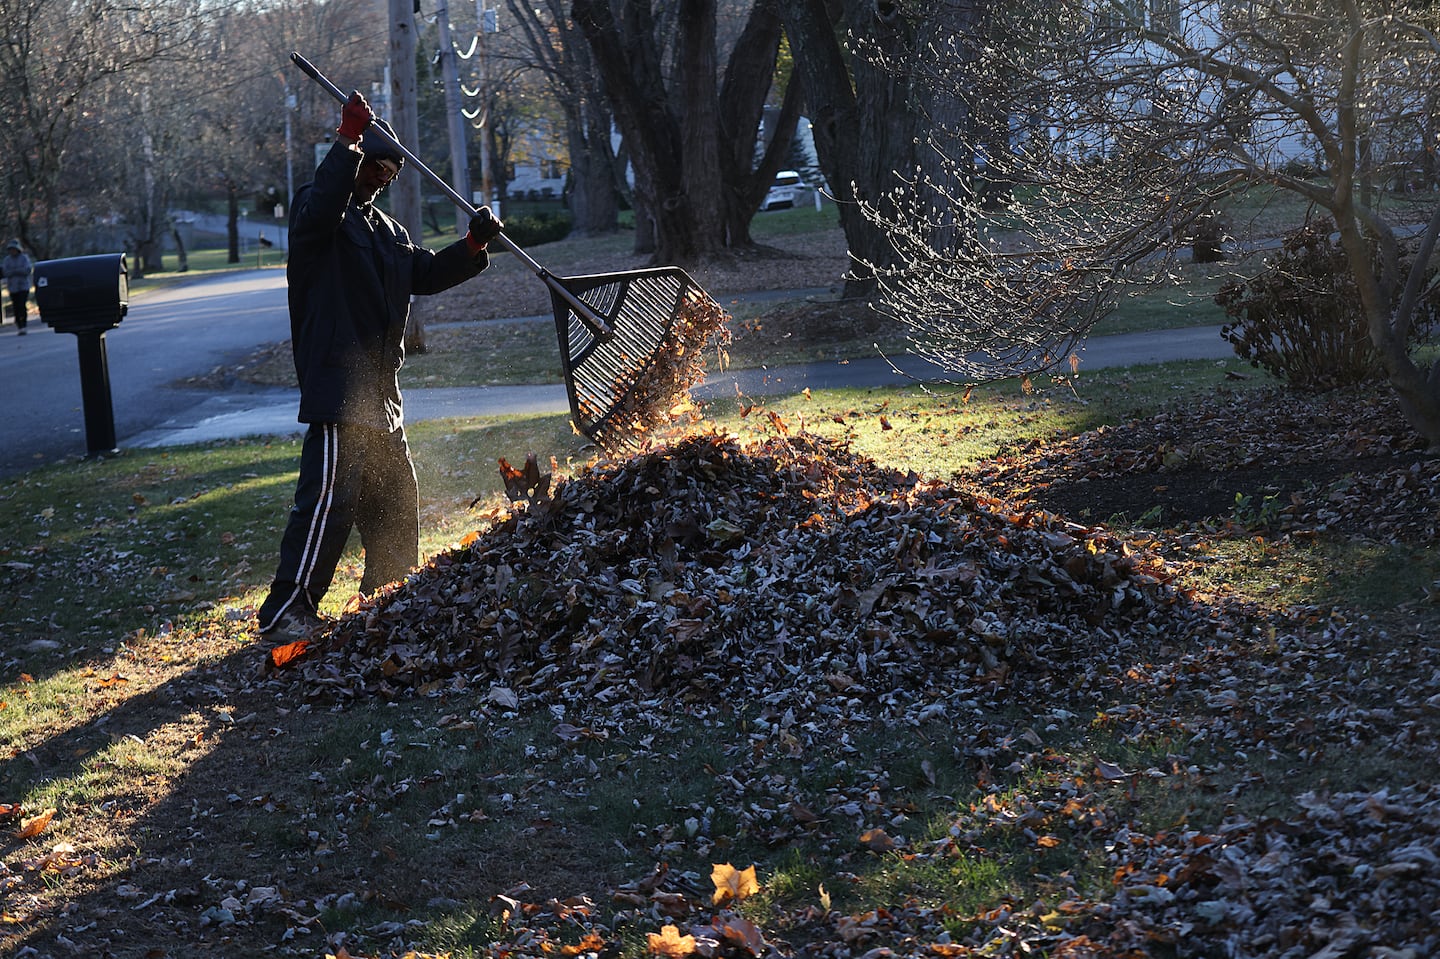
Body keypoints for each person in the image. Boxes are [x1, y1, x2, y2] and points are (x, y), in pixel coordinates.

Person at [256, 90, 503, 642]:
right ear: (358, 162)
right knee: (327, 502)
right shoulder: (316, 217)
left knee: (396, 499)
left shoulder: (387, 232)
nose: (384, 178)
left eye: (391, 171)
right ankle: (285, 612)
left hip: (381, 393)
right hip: (339, 388)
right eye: (377, 166)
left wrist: (472, 246)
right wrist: (346, 140)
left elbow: (427, 274)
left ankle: (390, 595)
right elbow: (326, 200)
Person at [2, 240, 33, 334]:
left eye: (14, 249)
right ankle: (19, 325)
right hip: (13, 287)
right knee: (15, 307)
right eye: (10, 250)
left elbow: (27, 270)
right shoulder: (7, 260)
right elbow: (5, 272)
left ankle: (24, 325)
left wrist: (15, 271)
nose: (12, 251)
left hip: (23, 286)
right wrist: (16, 271)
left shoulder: (24, 258)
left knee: (22, 305)